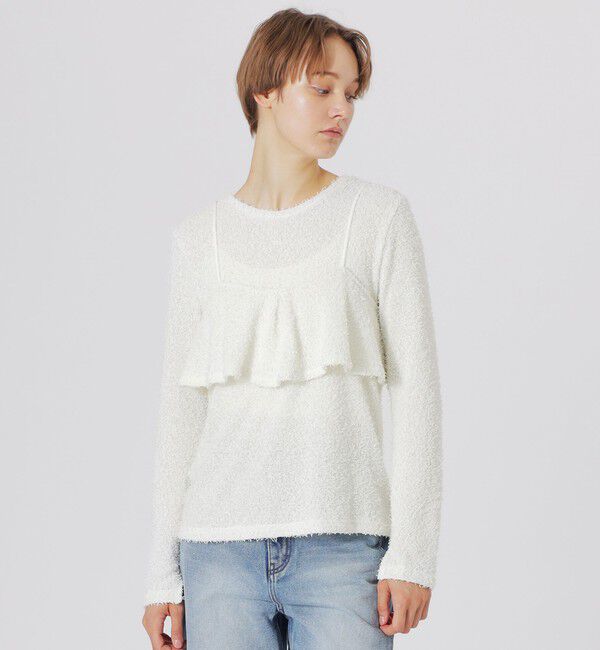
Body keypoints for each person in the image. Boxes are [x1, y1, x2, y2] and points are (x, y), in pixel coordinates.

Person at [142, 8, 443, 649]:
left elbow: (417, 392)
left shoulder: (378, 218)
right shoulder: (199, 240)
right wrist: (160, 574)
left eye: (351, 94)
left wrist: (413, 554)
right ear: (266, 90)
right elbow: (180, 410)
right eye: (323, 87)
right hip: (216, 555)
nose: (342, 109)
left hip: (345, 552)